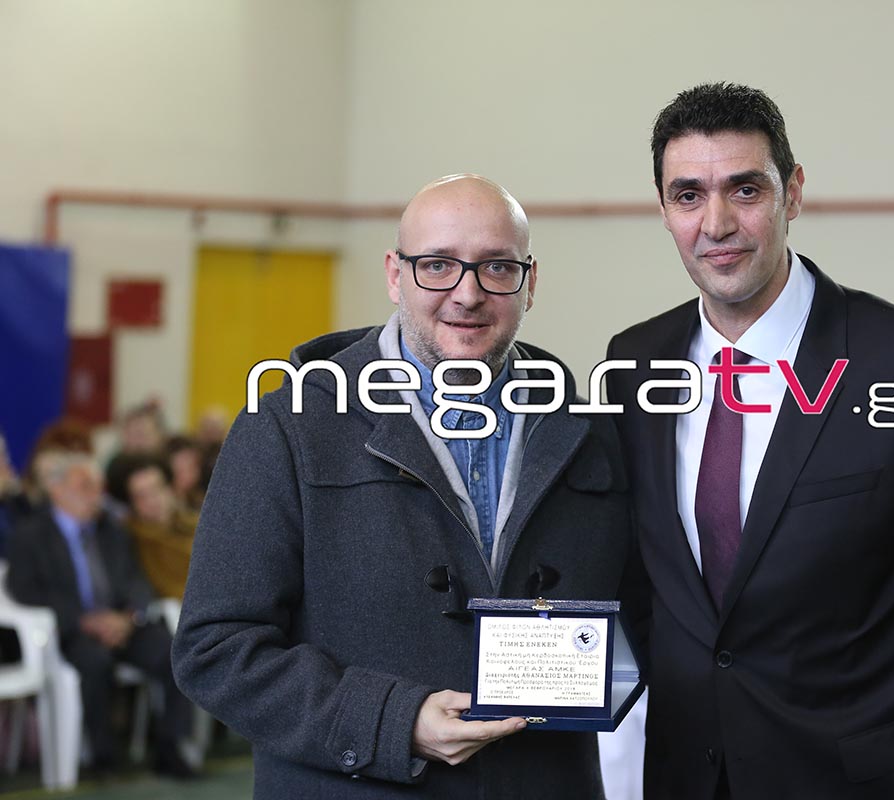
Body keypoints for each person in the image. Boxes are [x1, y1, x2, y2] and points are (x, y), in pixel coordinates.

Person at [605, 83, 894, 798]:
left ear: (793, 192)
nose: (717, 223)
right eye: (688, 196)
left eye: (745, 189)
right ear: (663, 209)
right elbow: (639, 586)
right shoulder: (633, 364)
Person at [173, 174, 637, 799]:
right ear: (396, 275)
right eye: (437, 265)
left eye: (497, 267)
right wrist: (395, 722)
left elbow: (650, 614)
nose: (468, 294)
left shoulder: (590, 431)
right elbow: (214, 648)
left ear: (530, 282)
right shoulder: (288, 427)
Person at [4, 450, 195, 776]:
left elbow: (137, 580)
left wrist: (128, 617)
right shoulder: (31, 535)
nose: (96, 495)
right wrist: (83, 620)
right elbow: (24, 590)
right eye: (85, 486)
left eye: (98, 486)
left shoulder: (111, 529)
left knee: (174, 652)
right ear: (57, 490)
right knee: (95, 662)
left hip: (123, 625)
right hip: (72, 630)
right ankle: (104, 758)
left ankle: (171, 749)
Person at [118, 455, 197, 600]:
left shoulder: (197, 523)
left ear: (170, 488)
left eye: (156, 489)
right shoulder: (135, 541)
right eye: (141, 496)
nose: (151, 501)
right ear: (132, 504)